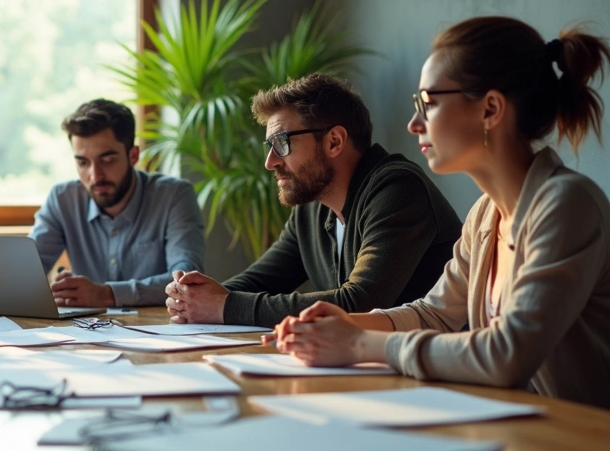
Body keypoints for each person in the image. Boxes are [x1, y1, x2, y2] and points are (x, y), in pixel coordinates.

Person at [273, 17, 610, 410]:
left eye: (428, 104)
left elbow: (507, 355)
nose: (414, 123)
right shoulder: (486, 214)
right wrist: (347, 323)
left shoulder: (566, 205)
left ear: (490, 109)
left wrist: (359, 343)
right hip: (518, 432)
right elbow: (434, 313)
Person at [165, 74, 462, 327]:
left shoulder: (398, 189)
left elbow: (358, 303)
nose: (270, 162)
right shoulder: (313, 208)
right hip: (368, 368)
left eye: (281, 143)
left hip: (443, 379)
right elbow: (257, 282)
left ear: (334, 141)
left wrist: (221, 307)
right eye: (269, 146)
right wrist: (193, 298)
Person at [30, 99, 205, 307]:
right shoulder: (62, 199)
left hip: (159, 331)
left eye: (107, 159)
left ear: (133, 155)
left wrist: (107, 294)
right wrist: (61, 290)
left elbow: (186, 282)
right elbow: (23, 273)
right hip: (86, 333)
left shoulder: (174, 196)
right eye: (83, 163)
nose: (95, 176)